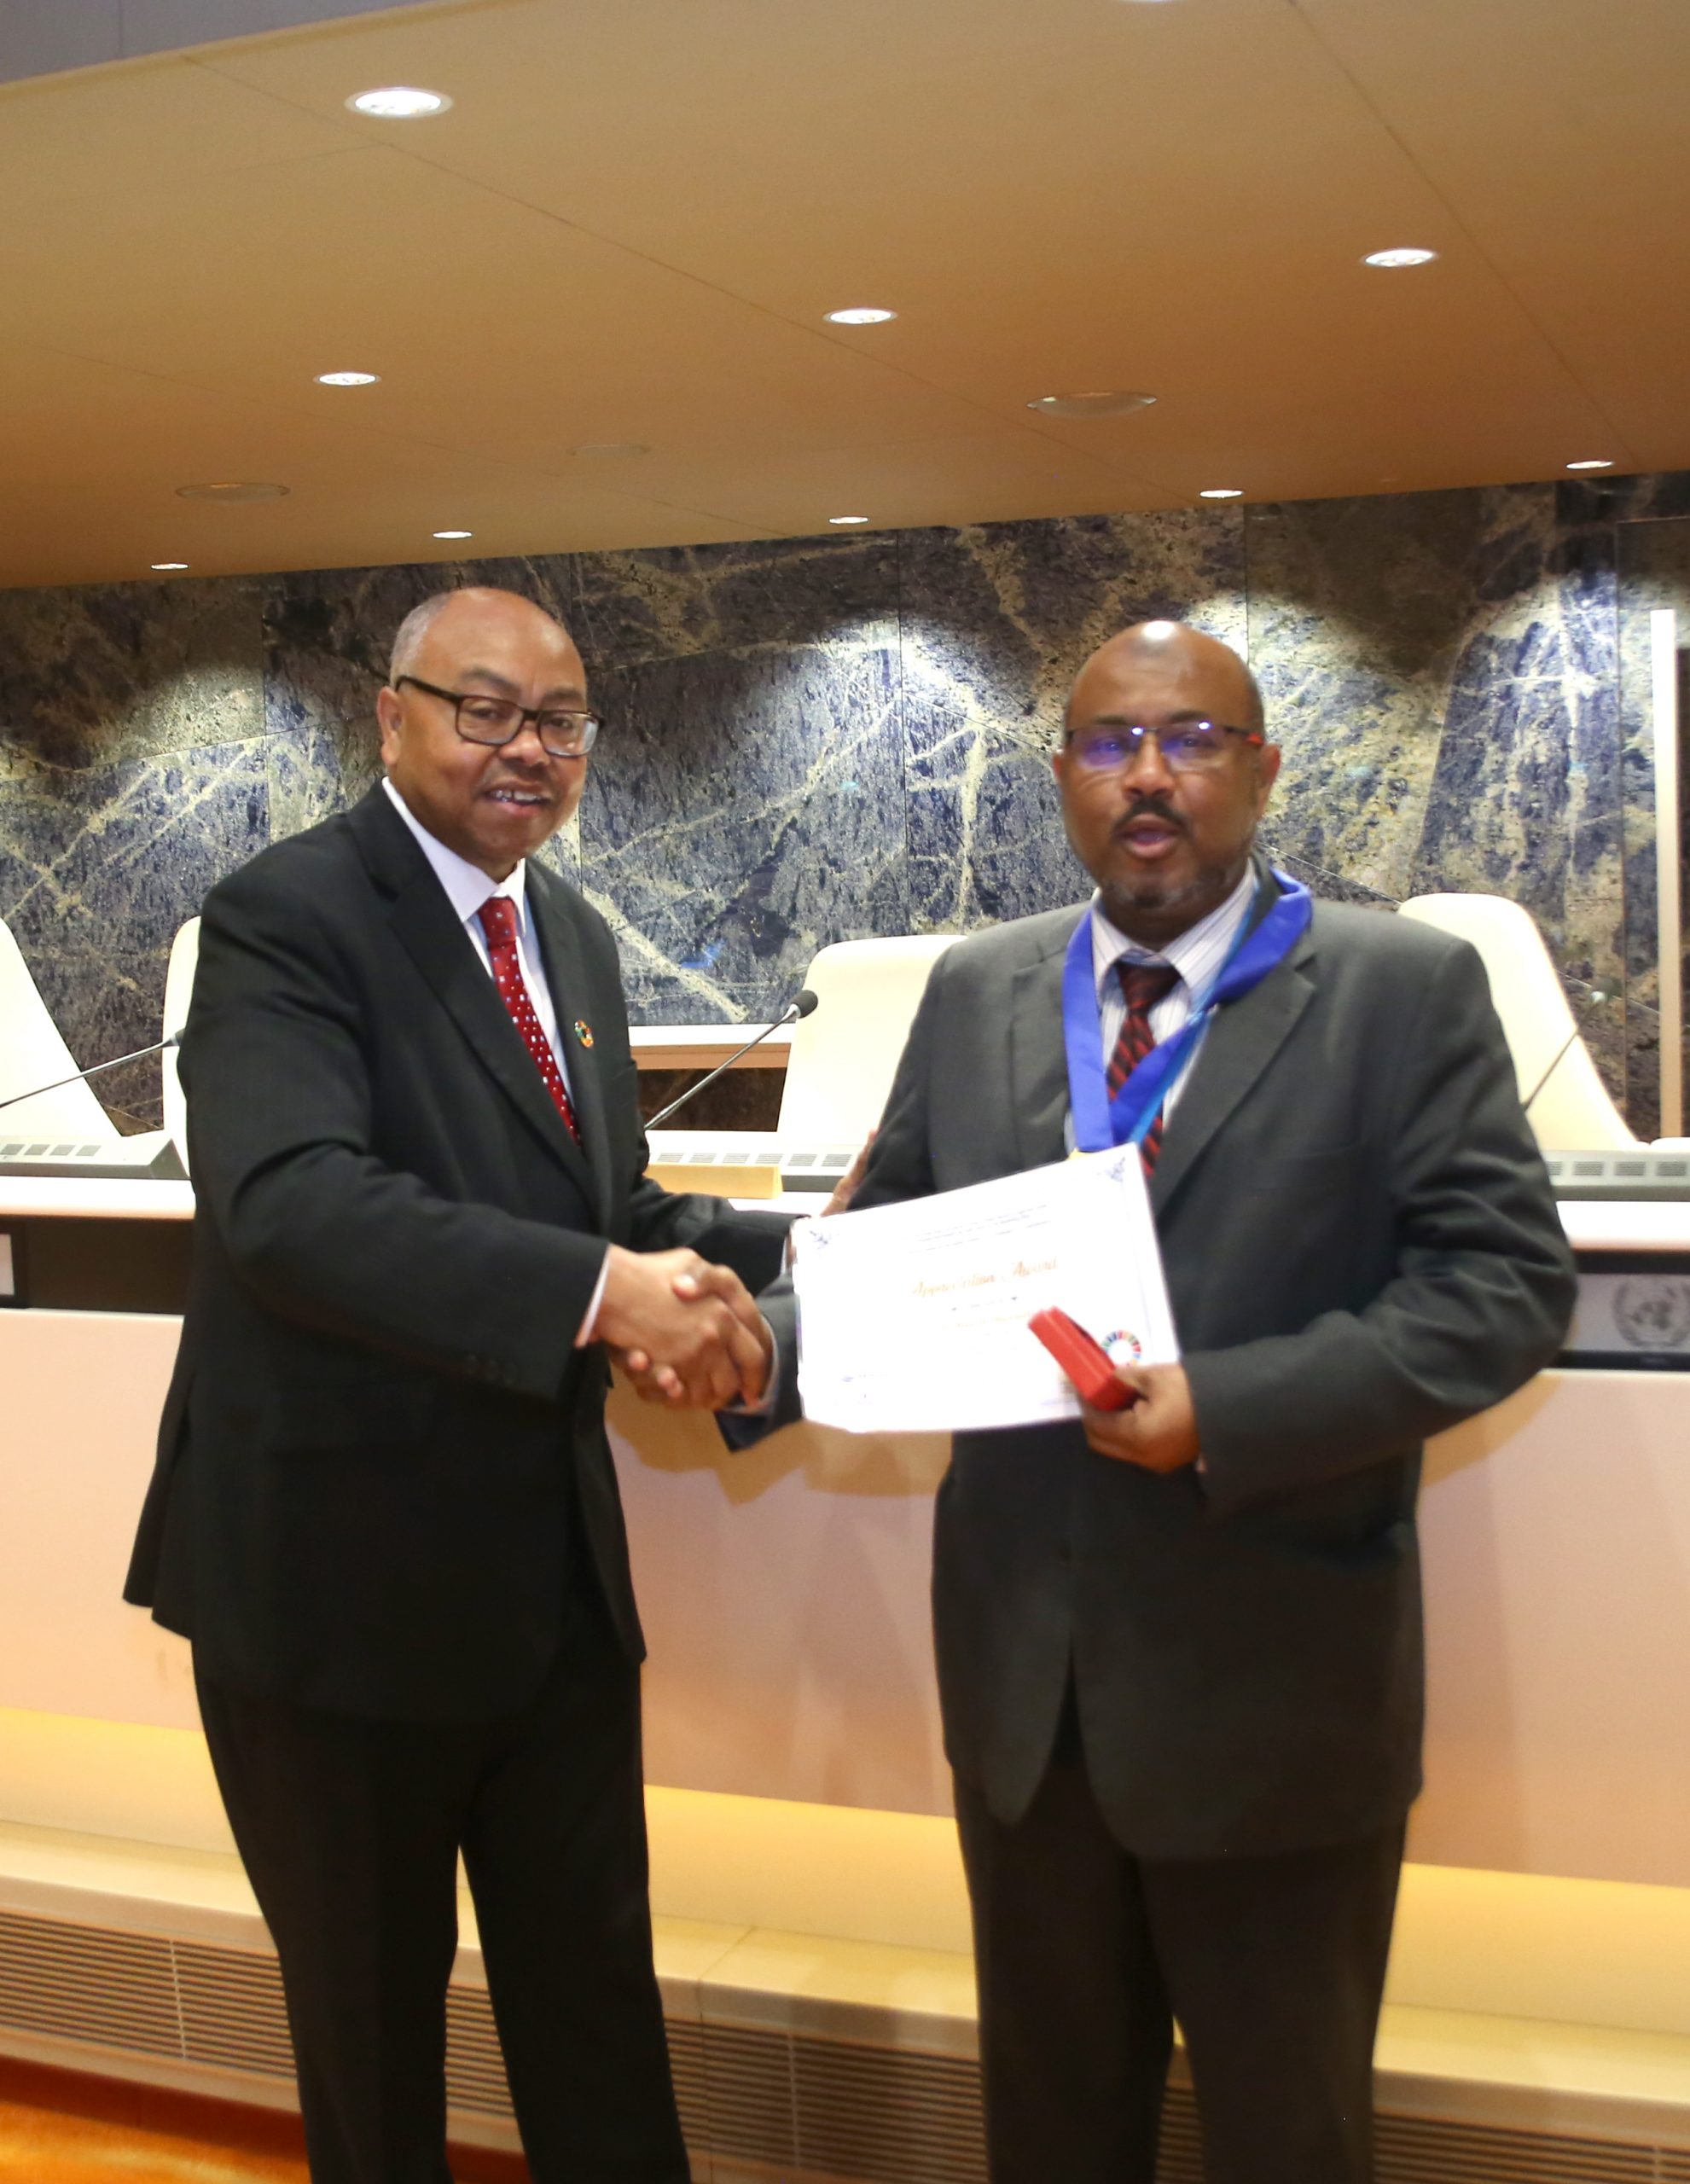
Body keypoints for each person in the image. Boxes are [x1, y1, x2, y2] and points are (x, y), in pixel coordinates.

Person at [737, 620, 1577, 2181]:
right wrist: (745, 1349)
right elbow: (889, 1247)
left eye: (1190, 739)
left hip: (1274, 1693)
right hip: (1026, 1696)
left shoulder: (1399, 987)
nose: (1147, 775)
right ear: (1061, 775)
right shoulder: (978, 988)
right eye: (1108, 742)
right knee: (1051, 2132)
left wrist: (1227, 1409)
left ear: (1260, 769)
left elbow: (1502, 1289)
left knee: (1285, 2135)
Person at [125, 587, 791, 2184]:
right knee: (375, 2055)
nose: (526, 750)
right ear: (391, 714)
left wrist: (817, 1262)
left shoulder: (563, 930)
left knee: (597, 2015)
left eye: (559, 722)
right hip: (334, 1602)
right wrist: (605, 1293)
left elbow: (603, 1205)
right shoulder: (283, 915)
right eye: (484, 710)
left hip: (547, 1595)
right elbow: (292, 1206)